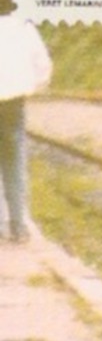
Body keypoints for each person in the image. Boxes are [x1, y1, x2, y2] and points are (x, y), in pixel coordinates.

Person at [0, 15, 53, 243]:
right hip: (14, 102)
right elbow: (43, 66)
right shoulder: (22, 26)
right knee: (15, 161)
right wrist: (33, 86)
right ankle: (19, 227)